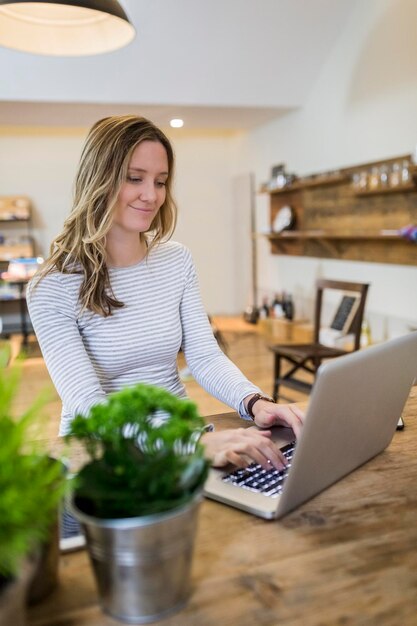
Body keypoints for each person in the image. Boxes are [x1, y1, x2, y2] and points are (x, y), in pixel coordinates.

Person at [28, 115, 304, 472]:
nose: (151, 195)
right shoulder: (52, 285)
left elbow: (205, 356)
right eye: (134, 178)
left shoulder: (176, 260)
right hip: (106, 461)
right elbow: (88, 405)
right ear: (99, 179)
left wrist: (255, 402)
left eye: (160, 182)